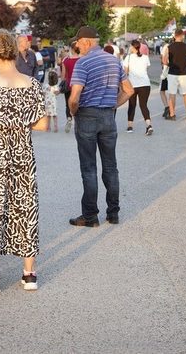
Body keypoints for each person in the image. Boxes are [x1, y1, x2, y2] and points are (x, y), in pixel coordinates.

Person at [0, 30, 48, 295]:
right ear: (15, 55)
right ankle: (29, 274)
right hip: (22, 154)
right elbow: (42, 124)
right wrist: (19, 123)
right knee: (25, 207)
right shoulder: (32, 84)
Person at [67, 26, 134, 227]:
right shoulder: (114, 61)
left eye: (78, 42)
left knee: (89, 168)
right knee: (111, 166)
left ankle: (90, 216)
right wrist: (112, 105)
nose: (77, 46)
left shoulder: (82, 63)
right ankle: (113, 213)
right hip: (108, 117)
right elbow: (129, 90)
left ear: (86, 42)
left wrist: (73, 111)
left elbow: (74, 97)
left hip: (87, 115)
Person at [163, 29, 186, 120]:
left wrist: (169, 65)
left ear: (174, 36)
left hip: (172, 73)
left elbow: (164, 61)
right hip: (184, 73)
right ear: (182, 36)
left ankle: (172, 115)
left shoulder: (169, 47)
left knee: (172, 94)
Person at [123, 40, 152, 135]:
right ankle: (149, 125)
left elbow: (125, 72)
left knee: (132, 105)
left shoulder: (128, 57)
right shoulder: (145, 57)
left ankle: (130, 126)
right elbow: (146, 69)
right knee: (143, 105)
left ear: (132, 47)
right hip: (145, 84)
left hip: (133, 85)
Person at [60, 42, 80, 133]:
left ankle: (69, 118)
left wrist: (62, 84)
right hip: (79, 85)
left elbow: (63, 75)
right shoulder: (81, 60)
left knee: (68, 103)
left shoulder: (66, 60)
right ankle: (78, 121)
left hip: (68, 85)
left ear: (71, 49)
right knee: (78, 103)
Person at [159, 41, 170, 118]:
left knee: (162, 91)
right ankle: (169, 108)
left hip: (166, 72)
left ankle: (167, 107)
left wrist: (163, 63)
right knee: (171, 92)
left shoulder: (166, 47)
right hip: (173, 72)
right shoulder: (172, 47)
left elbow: (163, 60)